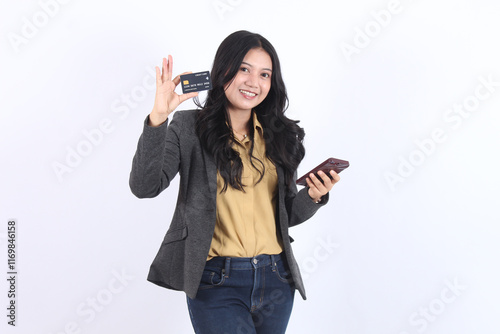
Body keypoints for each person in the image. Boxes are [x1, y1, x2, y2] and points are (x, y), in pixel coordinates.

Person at [129, 30, 340, 334]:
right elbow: (144, 187)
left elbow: (285, 215)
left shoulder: (280, 136)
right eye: (244, 69)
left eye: (264, 74)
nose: (254, 82)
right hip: (216, 281)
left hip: (276, 278)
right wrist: (158, 118)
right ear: (222, 71)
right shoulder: (189, 127)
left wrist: (314, 197)